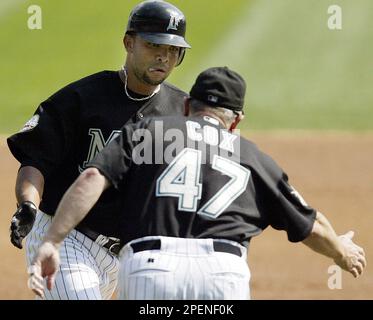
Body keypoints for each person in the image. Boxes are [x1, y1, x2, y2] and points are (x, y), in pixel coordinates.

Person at [28, 67, 366, 300]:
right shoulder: (249, 154)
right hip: (222, 274)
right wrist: (342, 252)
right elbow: (311, 224)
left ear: (187, 106)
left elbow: (91, 177)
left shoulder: (147, 133)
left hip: (151, 269)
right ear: (237, 121)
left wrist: (53, 240)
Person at [7, 0, 191, 300]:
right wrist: (27, 204)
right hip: (66, 238)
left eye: (173, 50)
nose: (163, 56)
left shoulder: (183, 112)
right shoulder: (82, 98)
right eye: (153, 44)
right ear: (128, 43)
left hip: (129, 257)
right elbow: (35, 160)